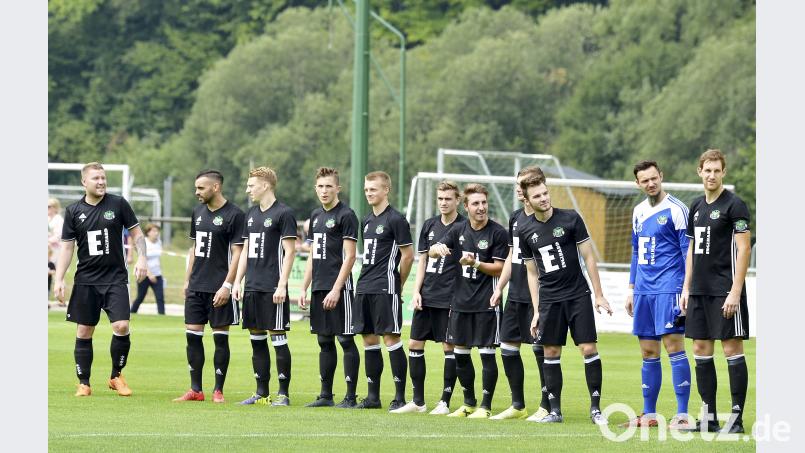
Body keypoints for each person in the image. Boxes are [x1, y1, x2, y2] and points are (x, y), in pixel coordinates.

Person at [517, 172, 613, 424]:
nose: (543, 198)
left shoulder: (570, 218)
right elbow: (531, 273)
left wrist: (599, 294)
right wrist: (537, 310)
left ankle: (596, 409)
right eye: (537, 196)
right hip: (550, 299)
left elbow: (589, 257)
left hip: (577, 294)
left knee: (588, 348)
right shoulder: (525, 231)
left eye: (545, 193)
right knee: (550, 351)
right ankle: (555, 411)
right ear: (527, 200)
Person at [52, 162, 148, 397]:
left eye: (103, 178)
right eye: (96, 178)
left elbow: (137, 233)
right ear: (84, 182)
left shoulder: (118, 204)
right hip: (86, 280)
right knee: (84, 330)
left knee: (121, 326)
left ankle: (116, 376)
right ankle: (84, 383)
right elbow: (67, 248)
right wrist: (59, 279)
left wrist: (142, 258)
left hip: (115, 278)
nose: (101, 182)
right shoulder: (73, 211)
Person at [680, 149, 751, 434]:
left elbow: (744, 249)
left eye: (716, 170)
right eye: (707, 170)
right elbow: (691, 249)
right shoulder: (696, 206)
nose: (711, 175)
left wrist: (735, 292)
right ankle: (708, 417)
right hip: (699, 291)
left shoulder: (735, 205)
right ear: (700, 171)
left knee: (731, 349)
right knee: (700, 349)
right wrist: (686, 287)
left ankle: (736, 420)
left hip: (725, 290)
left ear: (724, 172)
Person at [620, 161, 692, 429]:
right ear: (638, 183)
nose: (650, 184)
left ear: (661, 176)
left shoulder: (677, 210)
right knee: (648, 351)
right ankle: (649, 415)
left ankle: (682, 415)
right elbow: (636, 251)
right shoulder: (638, 211)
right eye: (645, 180)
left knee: (674, 348)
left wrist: (686, 289)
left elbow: (687, 253)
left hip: (669, 288)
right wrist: (631, 288)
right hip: (643, 290)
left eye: (654, 178)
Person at [429, 183, 508, 419]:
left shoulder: (497, 232)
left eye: (484, 202)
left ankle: (485, 406)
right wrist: (437, 249)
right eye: (475, 203)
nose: (481, 207)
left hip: (487, 304)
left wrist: (475, 263)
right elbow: (431, 251)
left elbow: (500, 268)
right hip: (460, 303)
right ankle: (468, 403)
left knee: (486, 355)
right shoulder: (458, 230)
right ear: (466, 206)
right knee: (460, 355)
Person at [390, 181, 464, 414]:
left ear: (458, 200)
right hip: (427, 293)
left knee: (448, 346)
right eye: (440, 198)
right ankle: (418, 402)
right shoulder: (429, 225)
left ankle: (444, 402)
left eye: (448, 199)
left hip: (449, 296)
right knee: (414, 343)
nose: (444, 203)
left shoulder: (464, 227)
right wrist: (416, 291)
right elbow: (422, 260)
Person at [174, 170, 245, 403]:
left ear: (216, 187)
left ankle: (218, 390)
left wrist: (227, 285)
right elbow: (194, 249)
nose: (197, 192)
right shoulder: (198, 212)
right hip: (196, 286)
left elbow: (238, 253)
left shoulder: (235, 215)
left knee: (220, 339)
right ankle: (196, 389)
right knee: (193, 337)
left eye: (201, 188)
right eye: (196, 188)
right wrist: (187, 280)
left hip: (219, 288)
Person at [489, 166, 552, 421]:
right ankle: (517, 405)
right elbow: (510, 255)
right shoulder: (515, 218)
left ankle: (547, 405)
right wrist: (499, 287)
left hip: (539, 295)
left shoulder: (547, 219)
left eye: (522, 184)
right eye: (517, 184)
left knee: (541, 349)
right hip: (514, 294)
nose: (518, 189)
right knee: (507, 347)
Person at [231, 167, 297, 406]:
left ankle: (283, 394)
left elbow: (290, 252)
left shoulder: (284, 213)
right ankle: (261, 393)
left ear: (266, 185)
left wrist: (282, 285)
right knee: (256, 339)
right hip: (252, 287)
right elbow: (245, 250)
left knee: (277, 338)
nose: (247, 190)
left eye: (251, 185)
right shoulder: (250, 214)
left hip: (272, 288)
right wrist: (238, 281)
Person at [298, 167, 361, 408]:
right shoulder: (315, 216)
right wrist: (304, 287)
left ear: (338, 188)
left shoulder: (346, 215)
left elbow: (350, 256)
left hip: (340, 288)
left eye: (328, 186)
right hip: (319, 287)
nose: (324, 191)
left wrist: (337, 289)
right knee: (324, 340)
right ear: (316, 189)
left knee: (345, 339)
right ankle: (326, 396)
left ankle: (350, 397)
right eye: (320, 186)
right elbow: (313, 254)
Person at [352, 171, 414, 410]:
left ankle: (399, 398)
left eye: (373, 189)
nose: (369, 193)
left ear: (386, 190)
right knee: (369, 339)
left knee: (391, 338)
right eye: (366, 190)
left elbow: (407, 256)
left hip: (385, 287)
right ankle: (372, 397)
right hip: (364, 285)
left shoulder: (396, 219)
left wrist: (398, 284)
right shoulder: (366, 220)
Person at [130, 223, 166, 315]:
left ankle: (162, 316)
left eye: (157, 231)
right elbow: (143, 260)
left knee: (160, 298)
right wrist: (150, 274)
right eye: (154, 231)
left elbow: (157, 259)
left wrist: (158, 272)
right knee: (140, 297)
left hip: (157, 275)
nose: (156, 233)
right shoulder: (144, 242)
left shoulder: (159, 242)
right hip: (144, 274)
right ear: (148, 232)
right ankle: (131, 313)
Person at [48, 197, 64, 295]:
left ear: (54, 207)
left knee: (59, 274)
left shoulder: (59, 219)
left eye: (48, 206)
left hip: (57, 250)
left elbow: (59, 235)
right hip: (48, 250)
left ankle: (61, 297)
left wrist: (48, 241)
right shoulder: (47, 218)